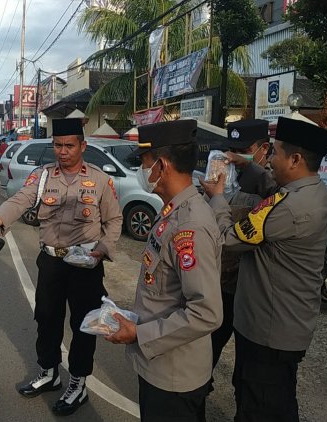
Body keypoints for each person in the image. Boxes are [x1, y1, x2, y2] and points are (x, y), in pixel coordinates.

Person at [0, 118, 122, 416]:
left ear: (83, 146)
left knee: (84, 324)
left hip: (85, 264)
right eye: (57, 145)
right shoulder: (42, 177)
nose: (63, 151)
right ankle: (49, 372)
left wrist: (102, 250)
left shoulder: (99, 180)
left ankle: (78, 382)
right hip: (52, 261)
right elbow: (19, 200)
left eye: (69, 145)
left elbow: (114, 220)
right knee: (46, 317)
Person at [200, 117, 327, 422]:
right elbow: (271, 186)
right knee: (269, 396)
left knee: (262, 405)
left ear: (296, 159)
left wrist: (218, 199)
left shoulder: (290, 207)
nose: (270, 160)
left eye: (274, 153)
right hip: (276, 324)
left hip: (270, 330)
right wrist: (244, 164)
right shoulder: (307, 191)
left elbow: (227, 239)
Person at [105, 120, 223, 422]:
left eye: (143, 162)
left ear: (161, 164)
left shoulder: (190, 225)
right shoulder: (172, 210)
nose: (141, 171)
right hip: (160, 362)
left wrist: (139, 333)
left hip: (174, 373)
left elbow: (207, 312)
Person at [210, 120, 268, 370]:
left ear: (263, 149)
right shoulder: (224, 176)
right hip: (223, 282)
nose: (233, 156)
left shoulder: (273, 183)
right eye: (231, 148)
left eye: (243, 149)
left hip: (252, 288)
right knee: (211, 344)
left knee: (250, 362)